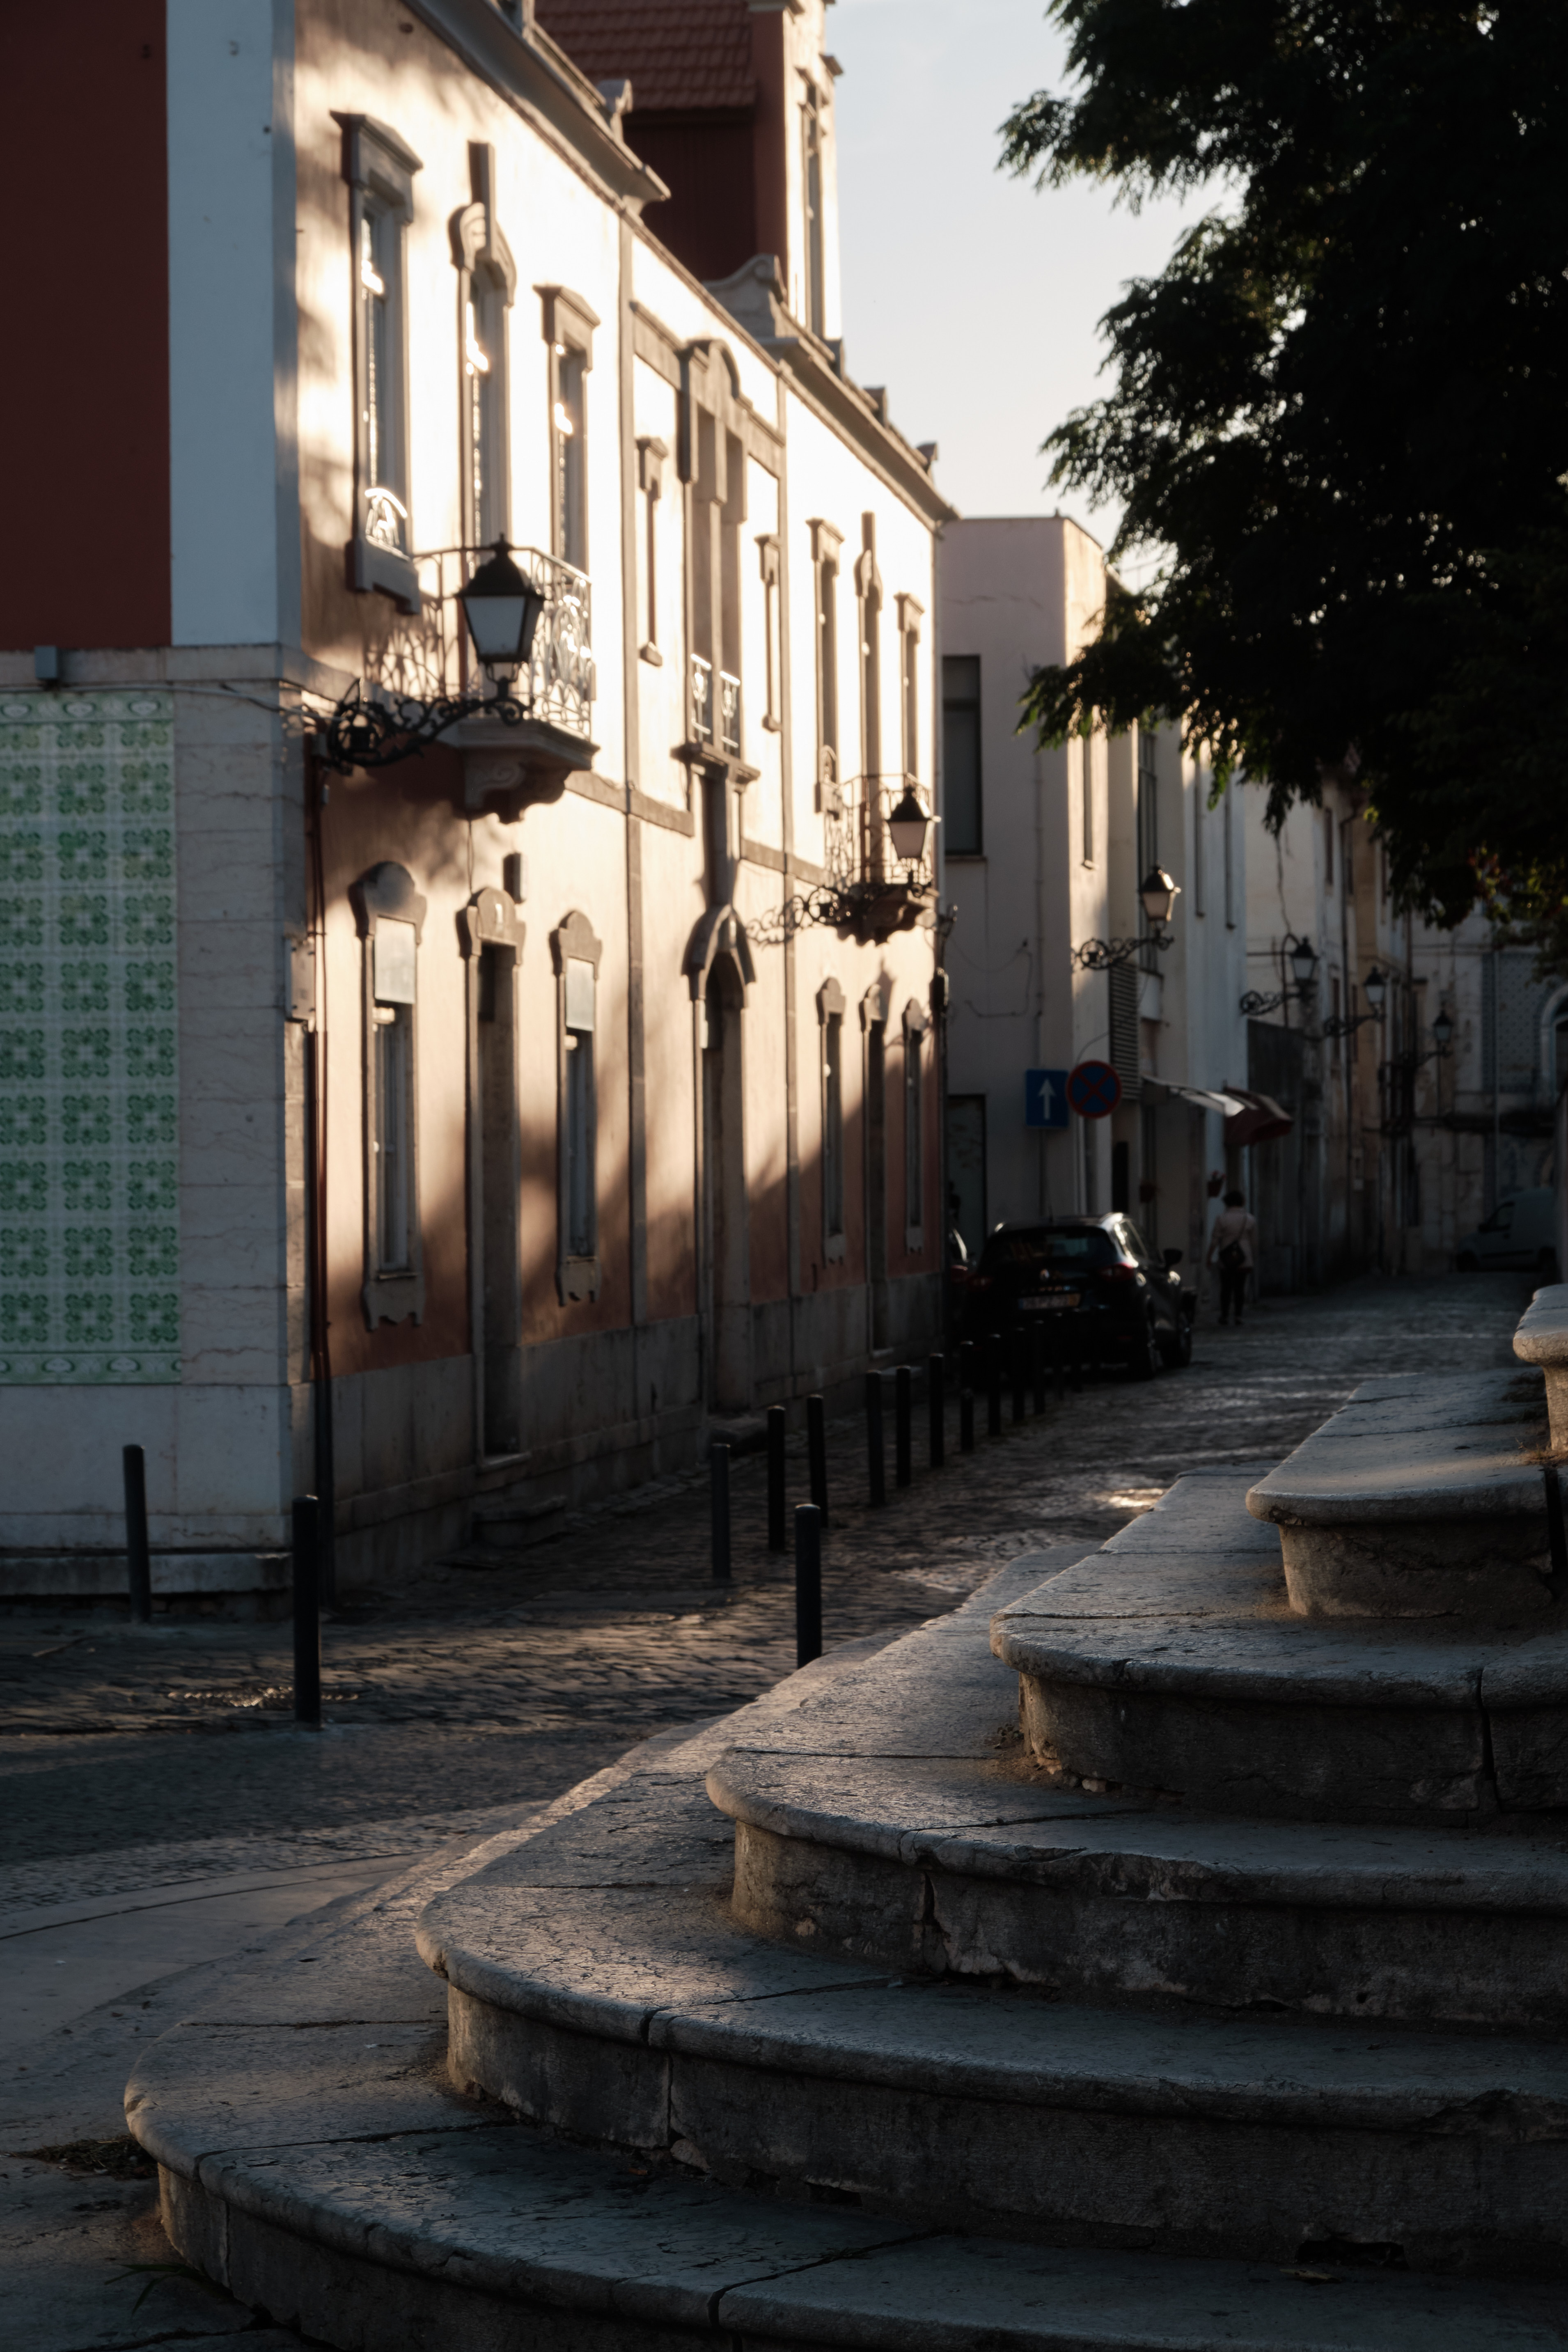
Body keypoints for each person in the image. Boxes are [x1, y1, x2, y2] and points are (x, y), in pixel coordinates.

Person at [1206, 1188, 1258, 1326]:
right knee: (1240, 1288)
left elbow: (1215, 1240)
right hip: (1244, 1257)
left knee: (1226, 1288)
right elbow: (1254, 1242)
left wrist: (1209, 1257)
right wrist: (1254, 1258)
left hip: (1227, 1257)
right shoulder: (1250, 1219)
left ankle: (1224, 1315)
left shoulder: (1222, 1219)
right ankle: (1238, 1316)